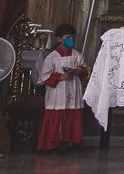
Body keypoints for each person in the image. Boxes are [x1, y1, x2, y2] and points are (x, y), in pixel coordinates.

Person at [37, 24, 88, 152]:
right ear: (59, 39)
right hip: (57, 92)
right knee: (56, 116)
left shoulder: (77, 55)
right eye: (67, 37)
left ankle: (72, 142)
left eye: (72, 37)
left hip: (73, 89)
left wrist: (78, 71)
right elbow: (44, 76)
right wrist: (60, 77)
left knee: (72, 115)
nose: (70, 40)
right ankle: (52, 144)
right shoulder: (52, 57)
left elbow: (84, 69)